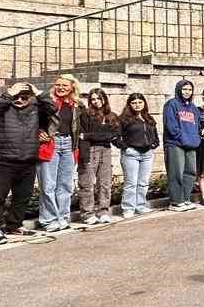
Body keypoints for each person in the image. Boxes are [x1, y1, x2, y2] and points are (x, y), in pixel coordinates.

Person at [0, 81, 50, 242]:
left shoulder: (35, 107)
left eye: (24, 97)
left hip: (27, 159)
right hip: (3, 160)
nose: (20, 100)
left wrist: (37, 92)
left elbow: (52, 108)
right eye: (17, 97)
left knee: (22, 196)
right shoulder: (1, 107)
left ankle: (14, 225)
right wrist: (9, 94)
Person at [37, 74, 81, 232]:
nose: (61, 88)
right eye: (58, 85)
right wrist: (39, 131)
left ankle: (63, 217)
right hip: (51, 144)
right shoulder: (46, 102)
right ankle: (49, 220)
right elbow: (32, 119)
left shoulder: (76, 105)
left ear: (72, 88)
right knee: (48, 185)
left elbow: (77, 128)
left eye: (65, 85)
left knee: (65, 185)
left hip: (68, 144)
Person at [77, 87, 120, 223]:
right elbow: (81, 136)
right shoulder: (85, 115)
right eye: (93, 99)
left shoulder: (111, 116)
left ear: (104, 99)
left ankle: (103, 211)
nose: (96, 102)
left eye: (98, 98)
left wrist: (89, 135)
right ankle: (87, 214)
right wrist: (84, 155)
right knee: (87, 184)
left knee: (105, 183)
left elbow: (112, 135)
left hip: (106, 150)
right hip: (90, 150)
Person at [117, 93, 160, 217]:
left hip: (147, 154)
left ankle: (140, 205)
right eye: (134, 103)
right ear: (129, 104)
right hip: (131, 154)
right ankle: (128, 208)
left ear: (144, 103)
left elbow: (155, 136)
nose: (137, 105)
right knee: (131, 182)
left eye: (140, 102)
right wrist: (126, 148)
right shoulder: (123, 119)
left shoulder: (149, 119)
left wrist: (154, 145)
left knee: (143, 182)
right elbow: (116, 137)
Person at [162, 79, 202, 212]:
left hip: (191, 144)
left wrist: (196, 138)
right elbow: (171, 125)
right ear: (179, 89)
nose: (187, 92)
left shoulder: (194, 108)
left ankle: (185, 199)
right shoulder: (171, 104)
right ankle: (175, 202)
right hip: (175, 144)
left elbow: (197, 126)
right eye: (184, 89)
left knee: (190, 172)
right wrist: (182, 137)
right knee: (176, 173)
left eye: (189, 90)